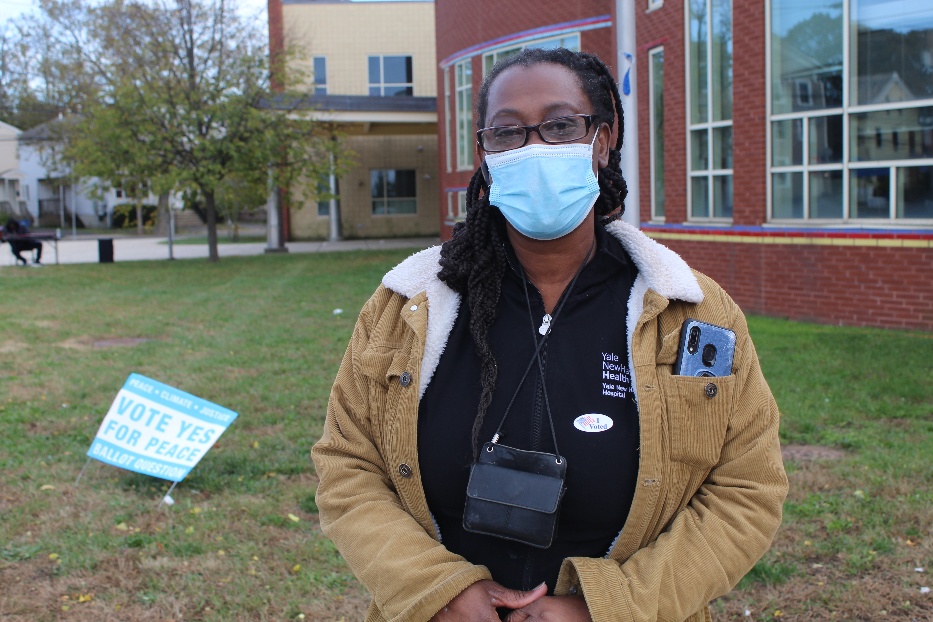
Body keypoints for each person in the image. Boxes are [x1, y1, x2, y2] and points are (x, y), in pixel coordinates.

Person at [312, 48, 788, 622]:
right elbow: (348, 468)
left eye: (561, 125)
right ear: (485, 153)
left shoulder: (697, 316)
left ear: (603, 140)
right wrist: (436, 593)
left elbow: (746, 493)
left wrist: (602, 610)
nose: (536, 148)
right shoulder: (403, 308)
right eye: (509, 132)